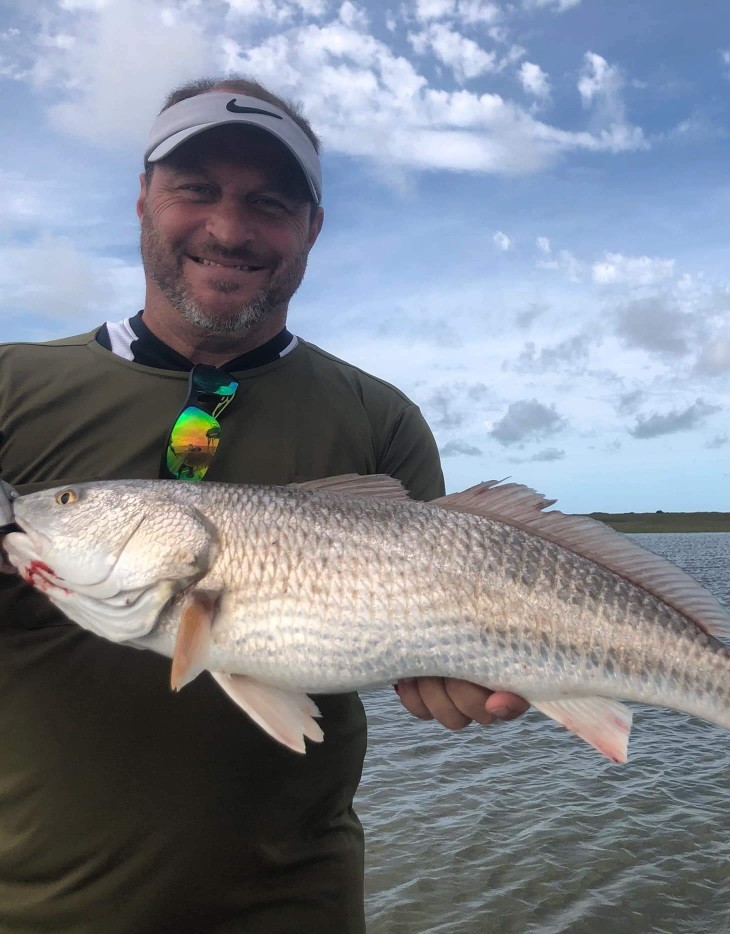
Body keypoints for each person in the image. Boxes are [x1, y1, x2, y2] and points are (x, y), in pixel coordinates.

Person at [0, 76, 528, 933]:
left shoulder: (381, 420)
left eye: (270, 201)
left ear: (312, 228)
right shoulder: (9, 388)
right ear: (142, 198)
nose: (228, 228)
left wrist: (461, 680)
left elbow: (440, 644)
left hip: (300, 906)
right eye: (195, 189)